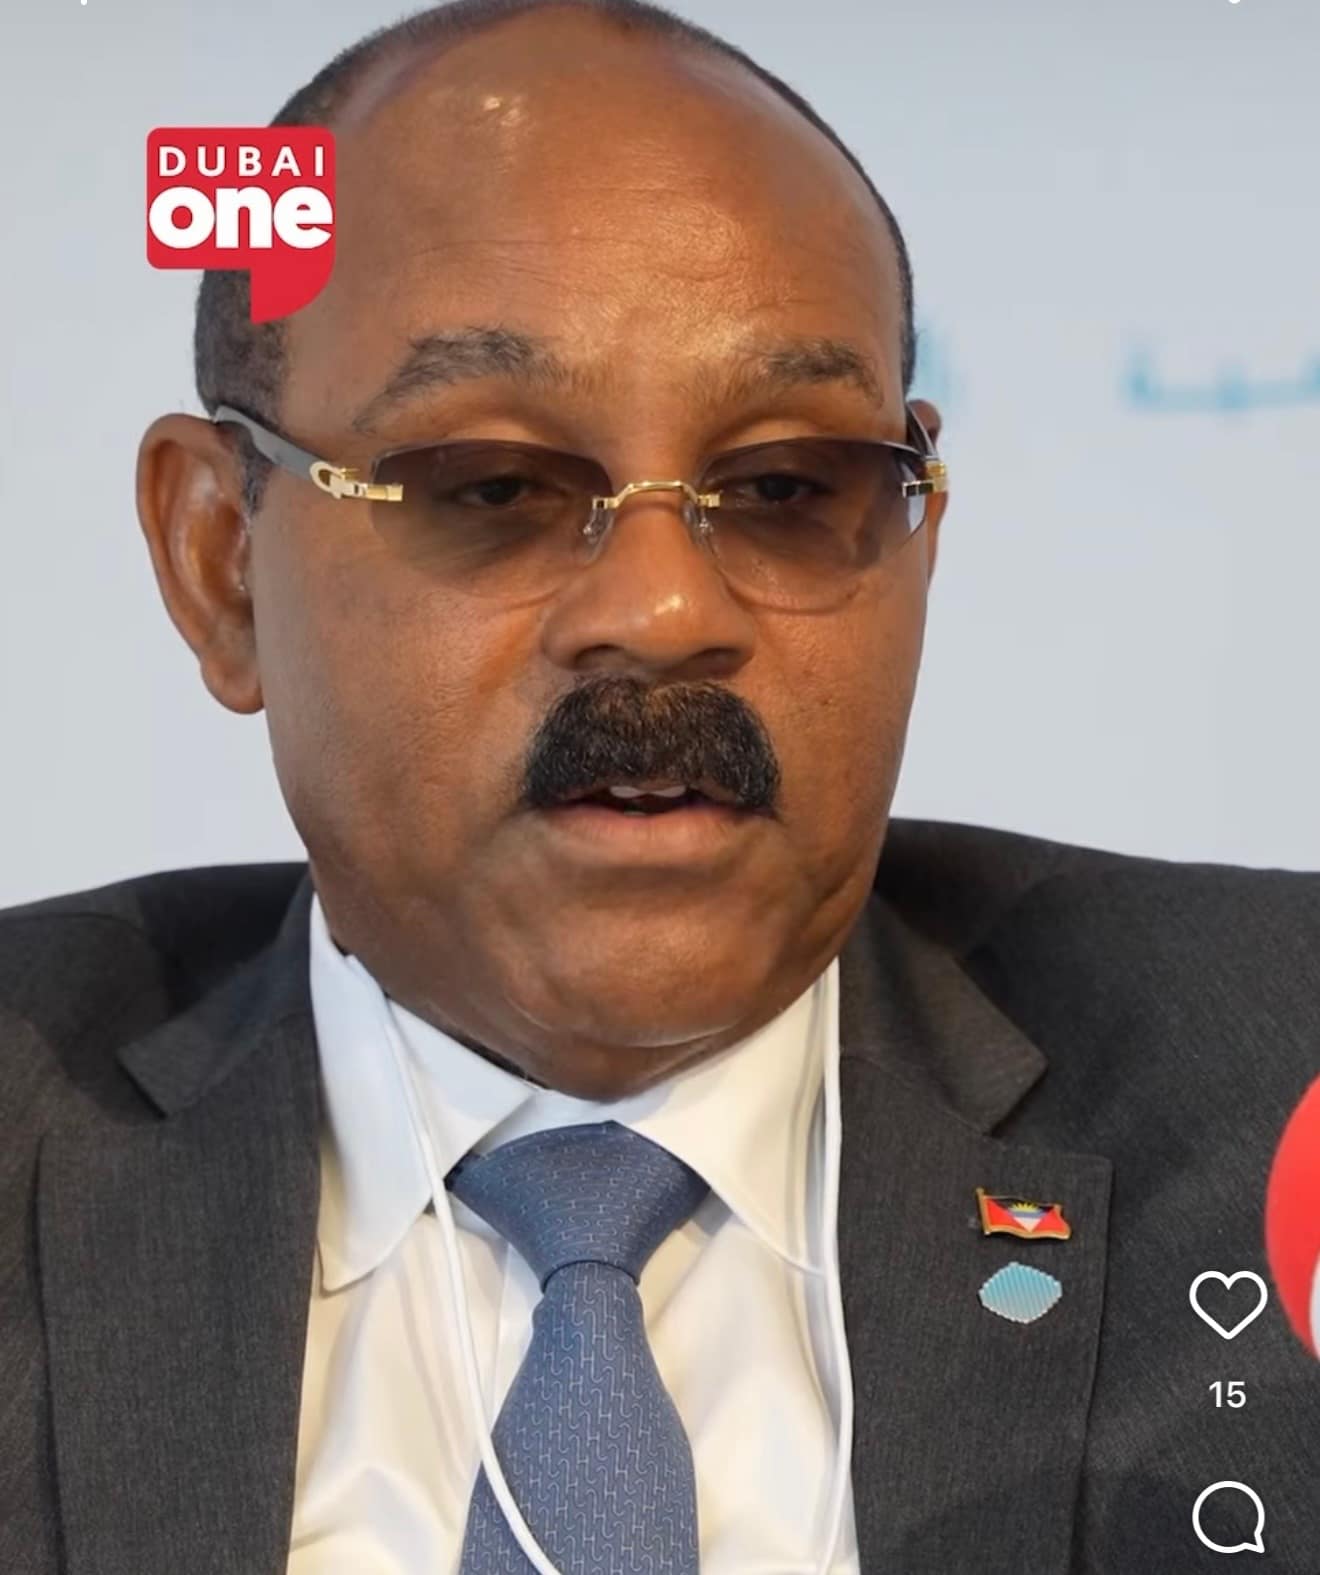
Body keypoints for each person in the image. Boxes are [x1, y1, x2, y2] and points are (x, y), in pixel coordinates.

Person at [2, 1, 1317, 1571]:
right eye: (495, 485)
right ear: (222, 563)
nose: (667, 607)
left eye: (786, 487)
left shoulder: (1279, 1083)